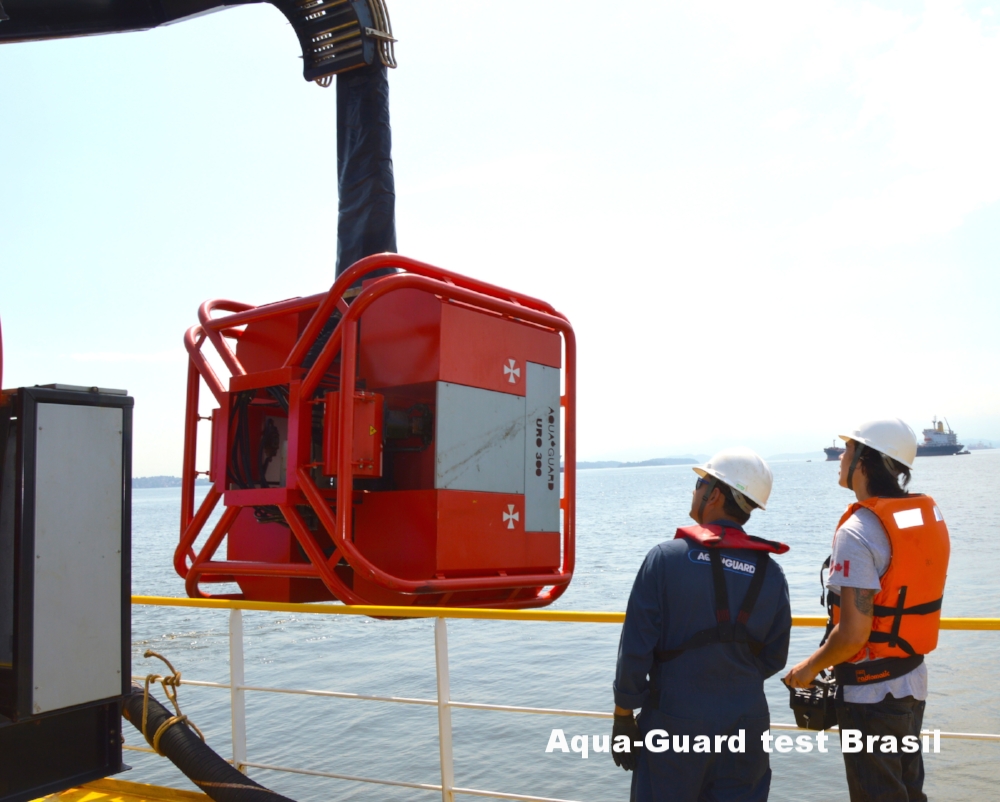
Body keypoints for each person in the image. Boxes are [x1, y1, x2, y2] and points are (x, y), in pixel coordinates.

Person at [784, 419, 950, 802]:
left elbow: (854, 635)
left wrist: (807, 670)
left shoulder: (858, 531)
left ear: (864, 460)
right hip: (912, 682)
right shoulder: (923, 518)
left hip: (871, 697)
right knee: (908, 792)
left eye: (847, 449)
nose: (841, 456)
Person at [612, 448, 791, 802]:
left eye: (700, 483)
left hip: (675, 719)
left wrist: (623, 715)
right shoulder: (771, 572)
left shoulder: (665, 559)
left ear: (716, 494)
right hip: (747, 720)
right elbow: (775, 656)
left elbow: (635, 649)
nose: (695, 491)